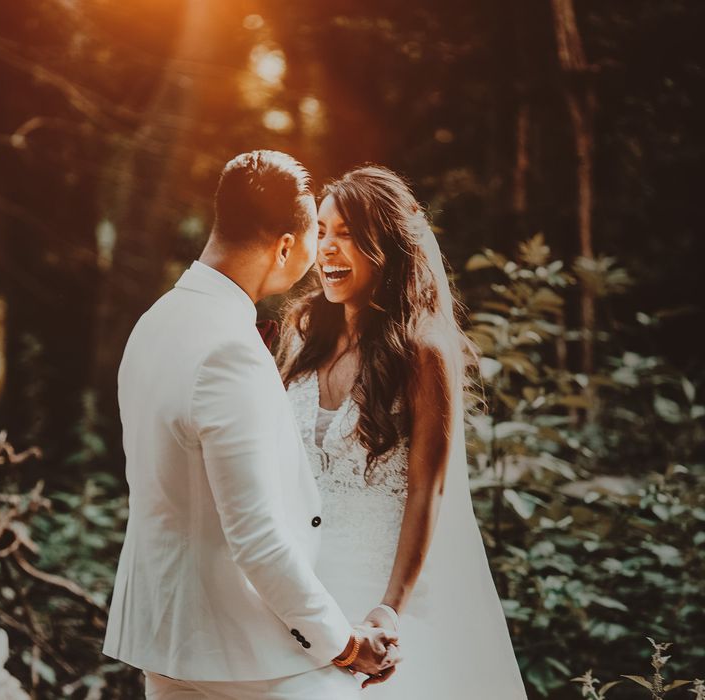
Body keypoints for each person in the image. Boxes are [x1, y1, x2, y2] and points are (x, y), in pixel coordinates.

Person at [102, 151, 399, 700]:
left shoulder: (154, 322)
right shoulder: (229, 351)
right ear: (286, 244)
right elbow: (256, 538)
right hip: (247, 655)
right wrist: (345, 644)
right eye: (313, 240)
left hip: (167, 643)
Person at [278, 165, 529, 697]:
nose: (328, 248)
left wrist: (389, 609)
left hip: (381, 588)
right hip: (300, 588)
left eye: (347, 234)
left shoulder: (423, 351)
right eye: (322, 231)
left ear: (386, 245)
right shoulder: (302, 337)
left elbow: (427, 490)